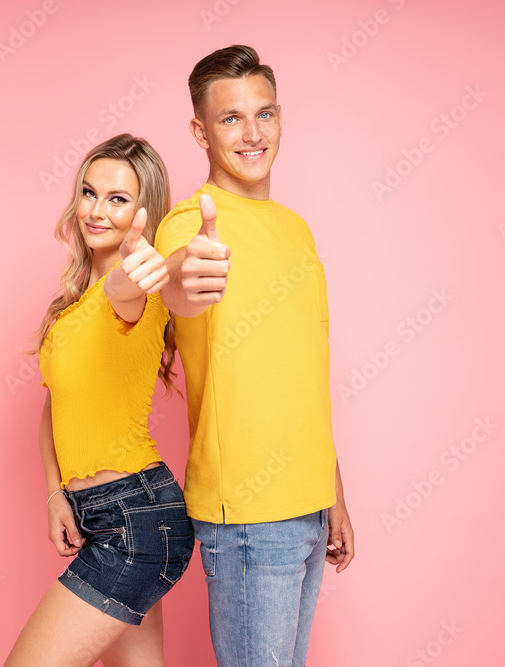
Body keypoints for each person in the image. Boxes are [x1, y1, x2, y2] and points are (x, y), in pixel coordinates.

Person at [153, 45, 356, 666]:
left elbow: (300, 373)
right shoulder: (189, 226)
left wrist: (334, 493)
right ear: (200, 130)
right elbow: (179, 289)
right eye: (230, 118)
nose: (251, 134)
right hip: (245, 511)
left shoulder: (297, 229)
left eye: (264, 114)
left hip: (308, 504)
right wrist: (184, 276)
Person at [6, 134, 193, 667]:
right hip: (105, 515)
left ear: (143, 212)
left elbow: (129, 292)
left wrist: (148, 267)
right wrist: (54, 493)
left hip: (136, 518)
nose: (96, 210)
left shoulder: (133, 289)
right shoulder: (72, 307)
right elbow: (55, 405)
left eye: (118, 199)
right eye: (90, 193)